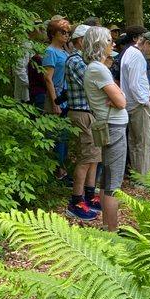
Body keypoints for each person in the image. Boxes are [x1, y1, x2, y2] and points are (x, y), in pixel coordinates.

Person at [83, 26, 128, 232]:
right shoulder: (98, 69)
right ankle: (112, 231)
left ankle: (105, 226)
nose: (114, 44)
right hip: (114, 127)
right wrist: (117, 97)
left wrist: (116, 97)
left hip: (109, 125)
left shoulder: (96, 68)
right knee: (113, 184)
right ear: (101, 44)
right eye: (110, 40)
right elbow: (121, 101)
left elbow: (117, 97)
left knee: (107, 178)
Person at [64, 24, 102, 220]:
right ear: (80, 41)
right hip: (81, 114)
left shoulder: (86, 61)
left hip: (90, 114)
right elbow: (93, 86)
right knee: (86, 157)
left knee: (95, 156)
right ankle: (75, 201)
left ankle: (89, 195)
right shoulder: (76, 61)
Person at [120, 31, 150, 175]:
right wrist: (145, 102)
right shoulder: (137, 56)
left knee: (134, 141)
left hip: (130, 104)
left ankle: (136, 175)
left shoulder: (129, 52)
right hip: (139, 106)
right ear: (147, 43)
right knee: (143, 143)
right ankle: (143, 179)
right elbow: (134, 84)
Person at [43, 19, 72, 180]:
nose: (66, 35)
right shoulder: (50, 52)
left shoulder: (65, 52)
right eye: (63, 32)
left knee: (64, 135)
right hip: (57, 97)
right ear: (53, 33)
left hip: (67, 97)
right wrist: (55, 102)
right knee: (56, 136)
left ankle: (63, 169)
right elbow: (48, 78)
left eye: (68, 32)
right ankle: (57, 172)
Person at [14, 19, 44, 102]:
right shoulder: (25, 45)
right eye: (39, 28)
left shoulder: (33, 44)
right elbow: (19, 69)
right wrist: (30, 84)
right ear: (32, 29)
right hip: (25, 95)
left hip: (32, 93)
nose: (41, 31)